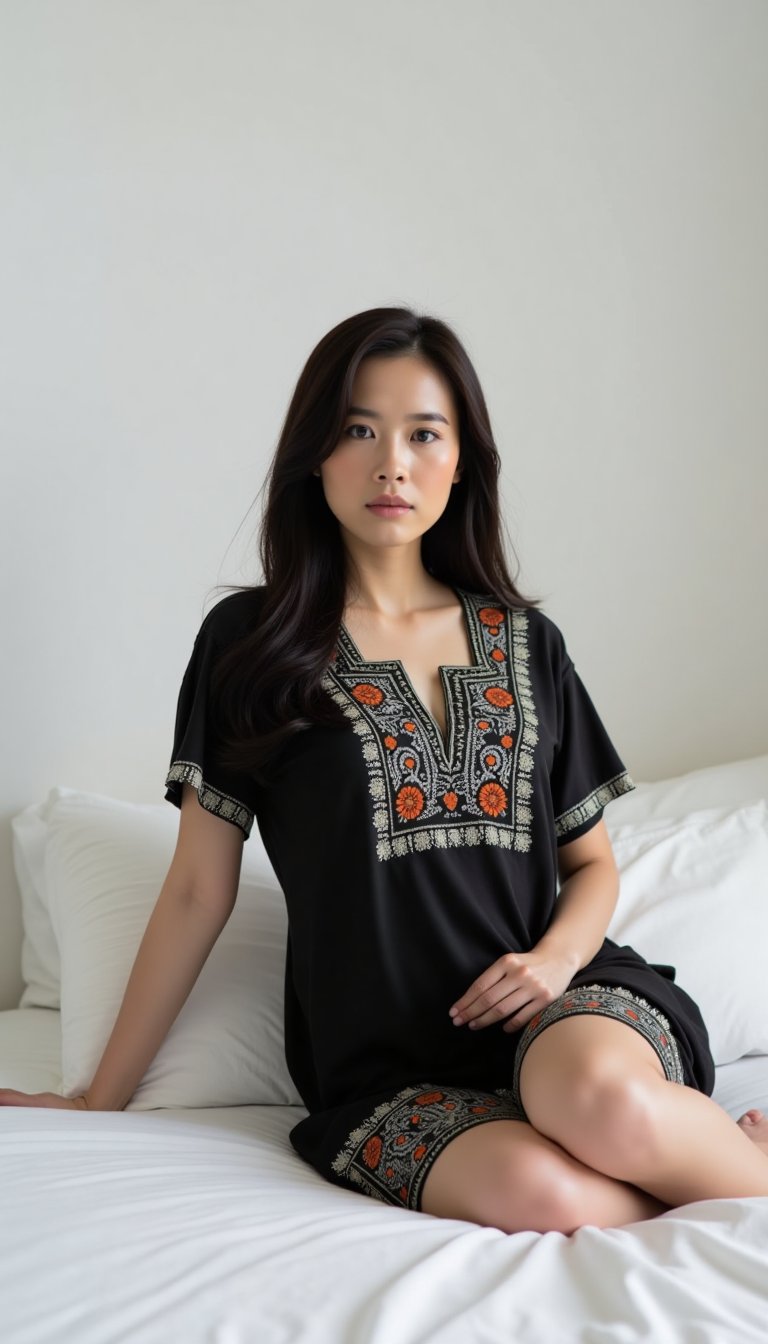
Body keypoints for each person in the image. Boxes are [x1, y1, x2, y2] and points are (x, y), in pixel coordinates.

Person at [3, 306, 768, 1233]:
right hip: (388, 1070)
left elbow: (593, 864)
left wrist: (553, 962)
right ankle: (720, 1159)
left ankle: (694, 1150)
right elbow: (197, 892)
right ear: (314, 456)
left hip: (573, 1011)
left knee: (595, 1103)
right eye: (359, 429)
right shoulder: (251, 646)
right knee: (546, 1196)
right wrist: (96, 1099)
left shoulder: (525, 644)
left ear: (461, 461)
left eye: (423, 433)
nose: (391, 462)